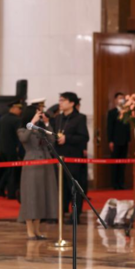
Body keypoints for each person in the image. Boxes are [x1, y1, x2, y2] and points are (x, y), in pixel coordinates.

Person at [17, 105, 58, 239]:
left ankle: (37, 229)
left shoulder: (42, 129)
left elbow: (52, 140)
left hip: (46, 163)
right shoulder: (23, 129)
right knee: (31, 196)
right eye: (36, 113)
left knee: (42, 196)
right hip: (32, 163)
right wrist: (32, 122)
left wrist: (46, 123)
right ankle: (29, 229)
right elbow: (23, 138)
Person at [51, 92, 89, 224]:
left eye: (63, 100)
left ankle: (75, 215)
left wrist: (67, 138)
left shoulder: (79, 118)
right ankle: (61, 213)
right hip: (59, 156)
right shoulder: (58, 118)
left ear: (72, 103)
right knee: (61, 187)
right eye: (60, 100)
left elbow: (84, 137)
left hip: (73, 157)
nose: (60, 102)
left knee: (74, 187)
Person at [0, 101, 23, 199]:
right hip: (12, 149)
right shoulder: (17, 120)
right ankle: (9, 192)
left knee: (6, 170)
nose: (20, 111)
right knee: (12, 172)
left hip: (2, 148)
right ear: (14, 108)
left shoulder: (2, 118)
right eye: (19, 109)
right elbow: (19, 136)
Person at [107, 92, 131, 189]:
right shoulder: (112, 112)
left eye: (123, 98)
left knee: (122, 163)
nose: (122, 99)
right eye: (120, 98)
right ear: (115, 100)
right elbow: (109, 127)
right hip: (115, 141)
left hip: (125, 141)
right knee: (115, 163)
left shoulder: (126, 112)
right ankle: (115, 184)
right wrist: (110, 141)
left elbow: (128, 126)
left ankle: (121, 183)